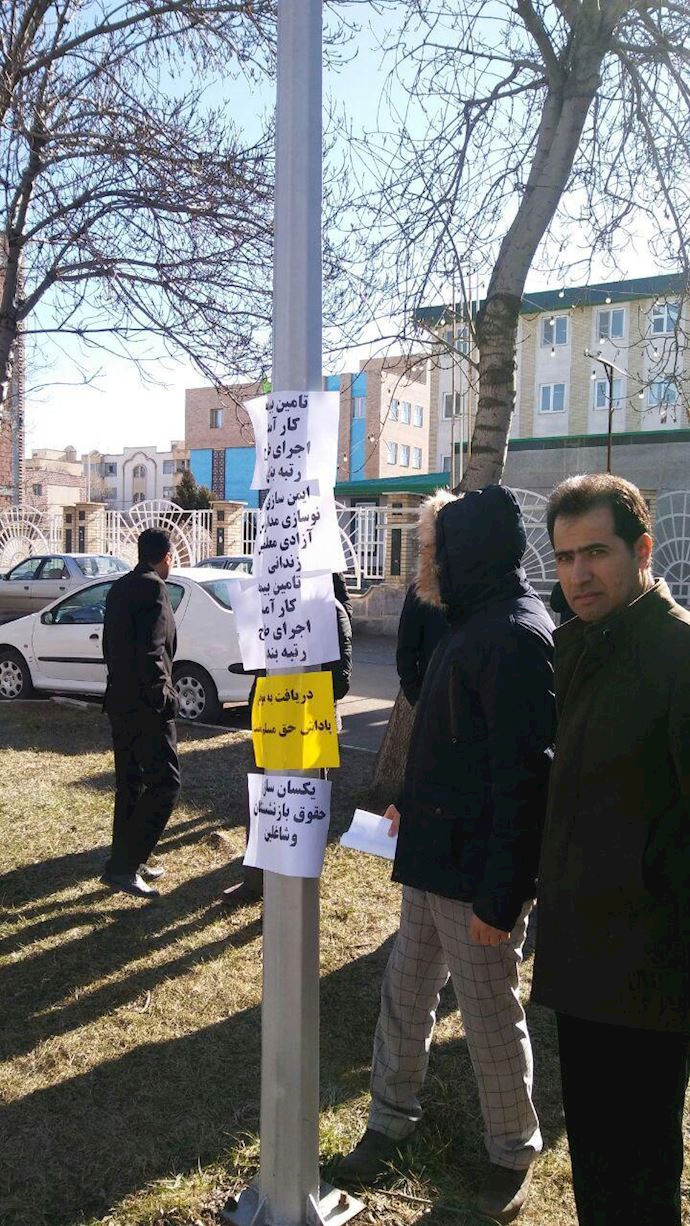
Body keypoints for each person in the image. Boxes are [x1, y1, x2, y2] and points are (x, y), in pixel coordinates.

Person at [336, 486, 555, 1224]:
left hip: (475, 876)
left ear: (467, 553)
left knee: (490, 1015)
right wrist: (409, 800)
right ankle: (390, 1121)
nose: (422, 562)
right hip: (431, 850)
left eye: (433, 549)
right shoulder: (466, 622)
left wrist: (503, 898)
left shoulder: (517, 635)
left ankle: (511, 1153)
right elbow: (450, 739)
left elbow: (524, 778)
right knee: (404, 997)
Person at [531, 473, 690, 1226]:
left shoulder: (677, 654)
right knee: (597, 1163)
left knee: (642, 1172)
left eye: (596, 552)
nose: (578, 575)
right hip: (582, 959)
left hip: (650, 973)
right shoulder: (576, 647)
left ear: (643, 550)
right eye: (564, 558)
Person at [221, 576, 353, 907]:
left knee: (305, 809)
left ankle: (298, 894)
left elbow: (340, 682)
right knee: (262, 806)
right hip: (271, 724)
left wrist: (297, 683)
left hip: (310, 728)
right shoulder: (270, 605)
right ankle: (254, 881)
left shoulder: (331, 611)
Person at [100, 528, 180, 899]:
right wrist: (162, 696)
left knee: (131, 783)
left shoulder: (120, 587)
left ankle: (129, 857)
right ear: (165, 556)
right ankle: (124, 867)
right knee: (166, 783)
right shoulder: (153, 588)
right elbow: (152, 651)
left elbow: (110, 646)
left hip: (120, 700)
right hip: (146, 705)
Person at [395, 580, 448, 706]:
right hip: (432, 695)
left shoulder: (487, 586)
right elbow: (406, 647)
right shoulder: (424, 587)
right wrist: (415, 694)